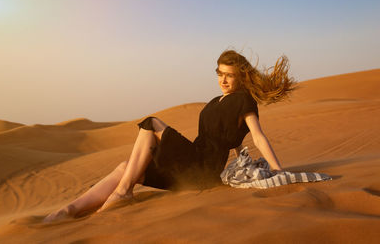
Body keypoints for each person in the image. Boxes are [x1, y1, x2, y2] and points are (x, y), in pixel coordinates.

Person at [43, 49, 297, 223]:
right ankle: (69, 210)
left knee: (151, 123)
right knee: (126, 168)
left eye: (230, 75)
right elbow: (226, 140)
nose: (223, 79)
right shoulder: (213, 102)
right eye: (220, 73)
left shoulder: (244, 101)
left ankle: (122, 194)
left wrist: (279, 171)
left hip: (203, 166)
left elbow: (258, 137)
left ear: (240, 76)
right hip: (190, 167)